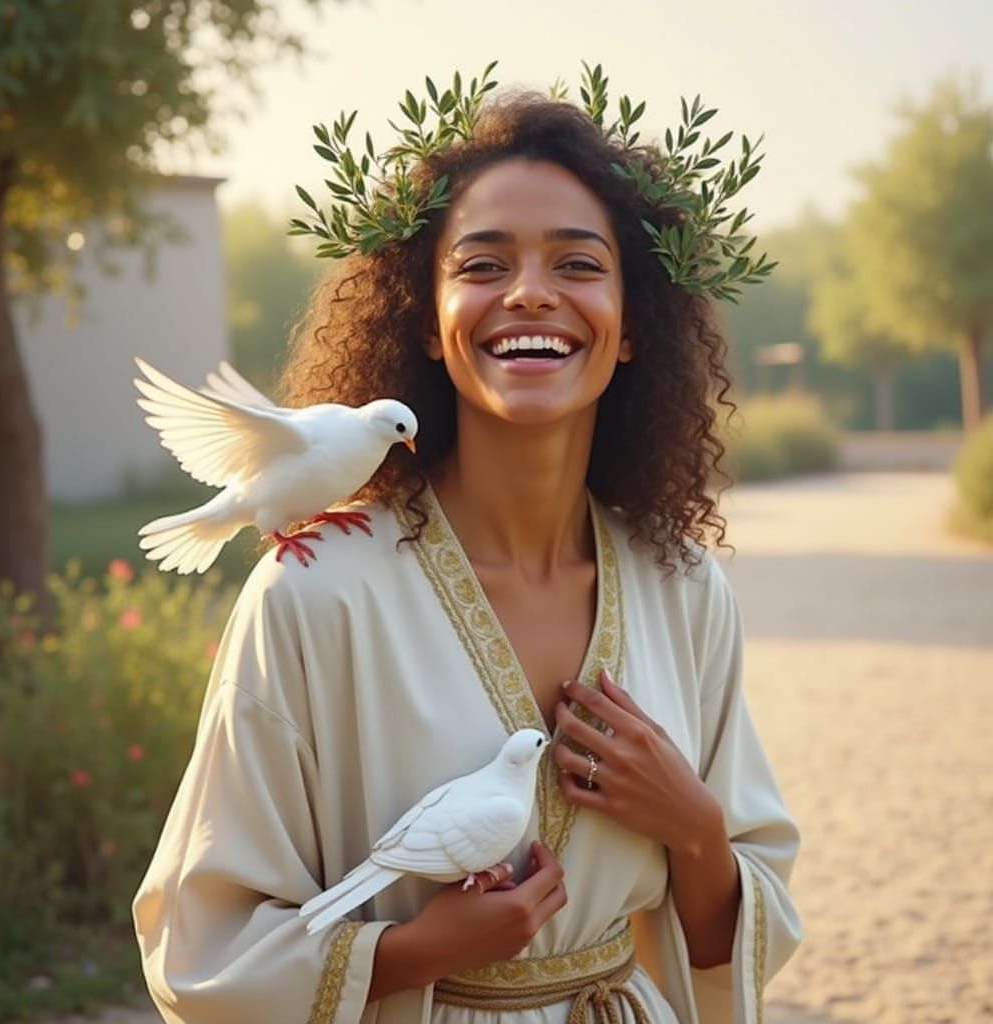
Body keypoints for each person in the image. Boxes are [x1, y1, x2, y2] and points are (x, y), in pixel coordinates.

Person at [133, 84, 800, 1024]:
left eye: (577, 262)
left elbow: (738, 932)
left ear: (633, 319)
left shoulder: (685, 589)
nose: (530, 292)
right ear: (425, 321)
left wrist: (695, 833)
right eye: (484, 263)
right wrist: (412, 953)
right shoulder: (317, 595)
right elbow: (201, 943)